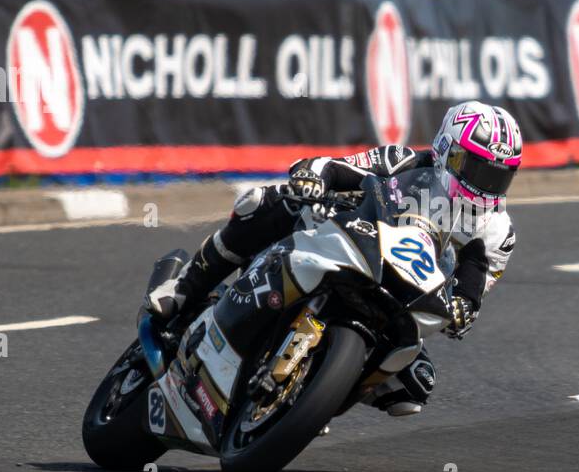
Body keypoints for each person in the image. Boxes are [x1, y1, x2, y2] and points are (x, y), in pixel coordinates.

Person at [147, 101, 522, 415]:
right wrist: (314, 177)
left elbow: (475, 284)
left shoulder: (497, 231)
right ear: (447, 151)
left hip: (404, 292)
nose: (485, 185)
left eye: (498, 177)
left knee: (415, 387)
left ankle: (308, 400)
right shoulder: (403, 161)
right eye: (477, 169)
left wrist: (463, 308)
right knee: (265, 203)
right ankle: (184, 288)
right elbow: (339, 166)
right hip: (353, 240)